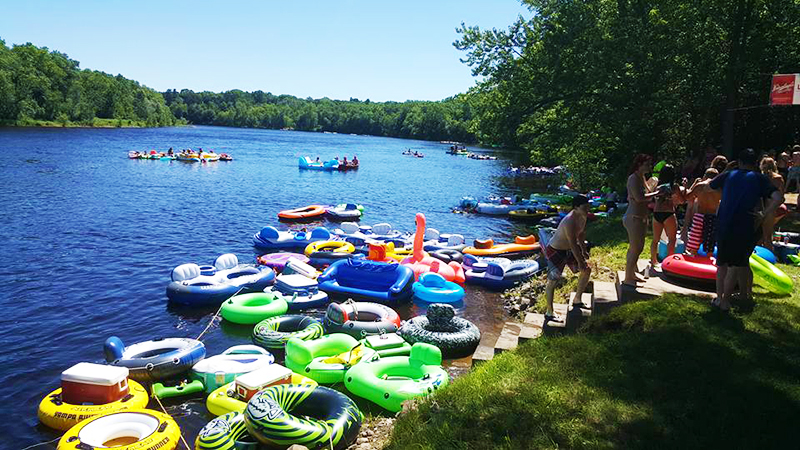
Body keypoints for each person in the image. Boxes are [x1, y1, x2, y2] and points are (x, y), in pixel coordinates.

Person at [710, 148, 783, 311]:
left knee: (721, 264)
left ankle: (718, 298)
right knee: (735, 265)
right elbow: (779, 198)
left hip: (723, 223)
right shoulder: (759, 179)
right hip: (744, 225)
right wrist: (764, 213)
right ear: (756, 163)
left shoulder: (729, 175)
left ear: (739, 161)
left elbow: (711, 185)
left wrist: (727, 171)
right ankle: (725, 302)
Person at [544, 195, 592, 321]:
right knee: (553, 281)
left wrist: (584, 250)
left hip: (569, 250)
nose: (588, 209)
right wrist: (580, 261)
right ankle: (549, 312)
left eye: (588, 206)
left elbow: (581, 234)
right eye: (585, 207)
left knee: (586, 270)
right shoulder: (569, 220)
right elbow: (572, 242)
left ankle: (577, 299)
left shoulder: (583, 216)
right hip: (555, 250)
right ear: (576, 207)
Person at [623, 154, 661, 286]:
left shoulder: (642, 177)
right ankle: (628, 277)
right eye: (647, 164)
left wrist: (655, 188)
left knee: (636, 248)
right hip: (634, 217)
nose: (649, 166)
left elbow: (646, 195)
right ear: (639, 165)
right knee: (636, 248)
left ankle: (631, 274)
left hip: (641, 217)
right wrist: (657, 194)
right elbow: (639, 198)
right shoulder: (633, 178)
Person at [649, 164, 686, 268]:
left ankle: (653, 260)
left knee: (655, 239)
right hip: (668, 213)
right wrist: (685, 187)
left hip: (657, 213)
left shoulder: (658, 186)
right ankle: (669, 263)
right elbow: (682, 200)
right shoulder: (674, 186)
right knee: (672, 239)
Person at [684, 168, 721, 256]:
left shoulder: (700, 186)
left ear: (705, 176)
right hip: (712, 217)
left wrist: (691, 185)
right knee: (709, 247)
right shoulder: (720, 188)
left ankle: (693, 262)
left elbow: (687, 198)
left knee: (693, 247)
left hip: (699, 217)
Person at [759, 157, 786, 250]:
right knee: (767, 235)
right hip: (776, 208)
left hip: (765, 208)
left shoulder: (761, 178)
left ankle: (767, 255)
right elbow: (782, 197)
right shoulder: (778, 178)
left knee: (763, 235)